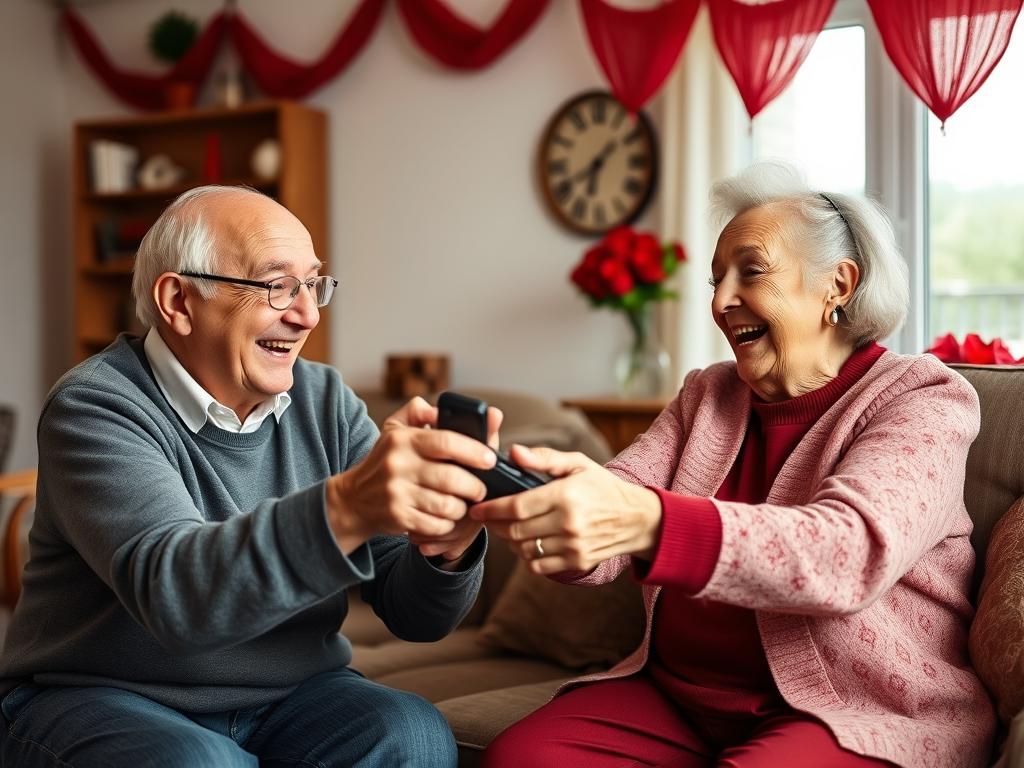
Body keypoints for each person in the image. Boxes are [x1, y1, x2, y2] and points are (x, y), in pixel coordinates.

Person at [477, 162, 995, 768]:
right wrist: (548, 507)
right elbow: (617, 505)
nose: (721, 302)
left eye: (751, 271)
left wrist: (645, 521)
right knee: (520, 759)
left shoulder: (922, 397)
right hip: (678, 698)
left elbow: (849, 554)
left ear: (838, 284)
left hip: (856, 709)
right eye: (717, 279)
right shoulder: (708, 393)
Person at [0, 186, 499, 767]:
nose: (307, 314)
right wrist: (348, 506)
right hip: (100, 695)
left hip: (290, 696)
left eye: (313, 284)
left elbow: (415, 615)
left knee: (412, 732)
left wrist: (447, 547)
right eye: (277, 285)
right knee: (198, 762)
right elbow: (178, 598)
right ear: (179, 301)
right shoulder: (95, 405)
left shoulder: (327, 401)